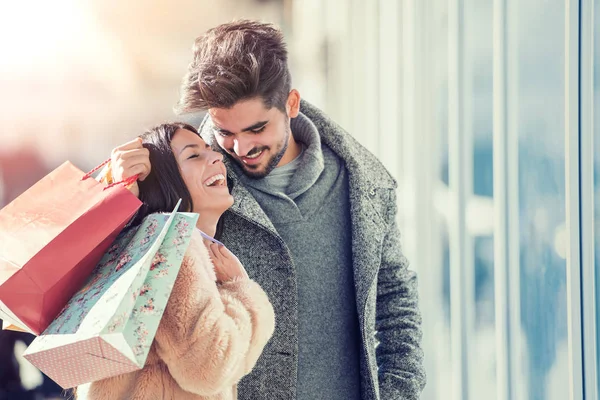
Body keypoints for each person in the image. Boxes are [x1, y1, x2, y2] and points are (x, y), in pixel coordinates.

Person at [112, 20, 425, 400]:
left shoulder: (363, 185)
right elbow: (123, 273)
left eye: (256, 129)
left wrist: (399, 393)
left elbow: (395, 301)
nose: (240, 149)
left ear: (291, 104)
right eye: (225, 131)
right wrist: (114, 193)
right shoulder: (192, 181)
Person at [79, 123, 275, 400]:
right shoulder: (176, 247)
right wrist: (242, 291)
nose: (216, 157)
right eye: (194, 156)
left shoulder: (145, 246)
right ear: (165, 181)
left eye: (210, 150)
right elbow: (207, 368)